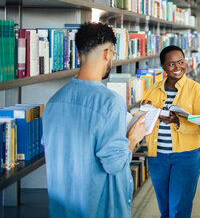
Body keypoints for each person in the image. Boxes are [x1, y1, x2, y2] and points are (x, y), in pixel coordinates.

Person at [42, 22, 146, 218]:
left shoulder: (54, 102)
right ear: (107, 53)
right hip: (100, 208)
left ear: (79, 53)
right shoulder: (110, 103)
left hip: (61, 208)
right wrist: (132, 138)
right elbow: (114, 165)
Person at [141, 45, 200, 218]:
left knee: (179, 209)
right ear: (163, 67)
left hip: (186, 157)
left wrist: (178, 121)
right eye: (171, 64)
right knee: (165, 209)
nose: (178, 67)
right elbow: (143, 120)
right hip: (157, 157)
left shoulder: (196, 90)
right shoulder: (152, 90)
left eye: (181, 62)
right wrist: (145, 113)